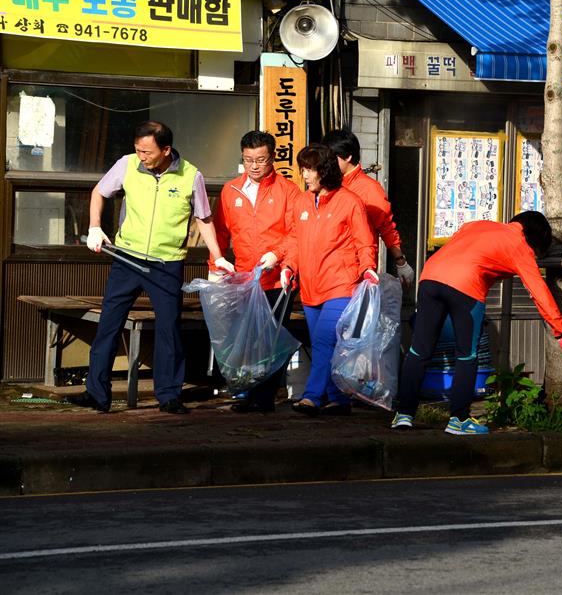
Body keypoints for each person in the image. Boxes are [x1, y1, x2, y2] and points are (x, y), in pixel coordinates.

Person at [66, 121, 234, 415]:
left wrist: (217, 256)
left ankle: (169, 396)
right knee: (108, 324)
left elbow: (203, 219)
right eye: (138, 149)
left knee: (169, 329)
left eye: (147, 151)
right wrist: (94, 227)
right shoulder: (127, 165)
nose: (141, 156)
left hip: (165, 264)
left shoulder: (190, 175)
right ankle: (97, 393)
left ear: (166, 150)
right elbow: (99, 192)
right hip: (126, 258)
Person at [393, 212, 562, 435]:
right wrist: (561, 332)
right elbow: (538, 292)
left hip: (430, 276)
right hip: (466, 286)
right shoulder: (519, 245)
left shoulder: (479, 225)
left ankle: (403, 414)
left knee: (418, 350)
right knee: (466, 355)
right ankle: (459, 420)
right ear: (537, 239)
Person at [280, 144, 377, 416]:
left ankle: (312, 396)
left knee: (323, 340)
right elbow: (294, 240)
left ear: (324, 170)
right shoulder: (301, 201)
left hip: (341, 284)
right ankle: (338, 398)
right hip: (310, 287)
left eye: (309, 169)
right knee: (326, 343)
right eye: (303, 169)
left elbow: (364, 242)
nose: (305, 175)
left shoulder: (349, 202)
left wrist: (368, 268)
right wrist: (288, 266)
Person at [210, 130, 302, 413]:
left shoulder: (288, 191)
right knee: (246, 339)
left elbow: (296, 233)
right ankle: (248, 393)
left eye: (261, 159)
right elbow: (221, 233)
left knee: (270, 339)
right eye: (249, 159)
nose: (254, 165)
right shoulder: (230, 191)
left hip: (276, 280)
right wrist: (216, 264)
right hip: (242, 279)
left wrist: (279, 256)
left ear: (272, 158)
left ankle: (264, 397)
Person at [324, 128, 414, 288]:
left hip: (352, 272)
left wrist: (401, 262)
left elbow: (386, 227)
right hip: (324, 269)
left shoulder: (369, 189)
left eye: (331, 158)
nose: (326, 163)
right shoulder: (328, 185)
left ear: (348, 157)